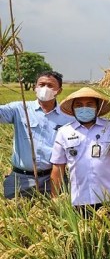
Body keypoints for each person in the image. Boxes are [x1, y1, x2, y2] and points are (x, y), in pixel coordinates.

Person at [50, 87, 110, 216]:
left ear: (97, 107)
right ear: (73, 109)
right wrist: (54, 197)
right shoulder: (64, 132)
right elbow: (58, 166)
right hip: (81, 198)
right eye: (79, 105)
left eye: (89, 104)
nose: (84, 108)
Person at [1, 70, 72, 199]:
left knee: (56, 214)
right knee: (15, 214)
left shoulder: (67, 117)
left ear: (59, 91)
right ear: (35, 87)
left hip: (53, 178)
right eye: (41, 84)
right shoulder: (19, 109)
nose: (45, 88)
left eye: (50, 85)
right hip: (21, 179)